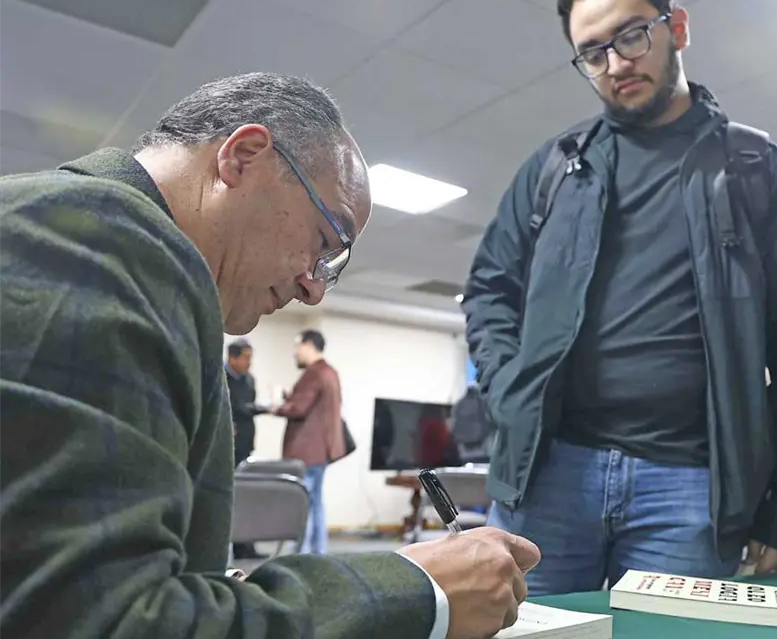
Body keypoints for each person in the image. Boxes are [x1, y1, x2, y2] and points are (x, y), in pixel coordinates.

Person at [0, 72, 538, 639]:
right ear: (244, 157)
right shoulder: (98, 239)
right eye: (326, 241)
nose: (314, 287)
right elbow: (97, 619)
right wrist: (419, 590)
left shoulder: (114, 250)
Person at [462, 0, 777, 596]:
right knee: (530, 634)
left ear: (678, 28)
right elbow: (489, 291)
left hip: (692, 489)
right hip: (548, 477)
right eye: (592, 52)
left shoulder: (757, 171)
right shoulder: (556, 169)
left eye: (631, 35)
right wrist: (508, 390)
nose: (615, 64)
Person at [269, 329, 343, 555]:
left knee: (304, 505)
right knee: (316, 502)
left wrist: (275, 406)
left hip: (307, 452)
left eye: (297, 346)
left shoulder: (313, 373)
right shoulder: (331, 373)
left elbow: (299, 408)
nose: (295, 352)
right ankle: (318, 552)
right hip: (322, 451)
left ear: (309, 345)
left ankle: (301, 556)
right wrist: (292, 395)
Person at [226, 337, 267, 558]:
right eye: (245, 358)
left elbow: (245, 408)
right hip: (225, 448)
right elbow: (235, 408)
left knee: (245, 497)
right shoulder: (220, 377)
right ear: (232, 358)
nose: (249, 363)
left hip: (244, 445)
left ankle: (244, 547)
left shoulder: (249, 380)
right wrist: (257, 409)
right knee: (227, 497)